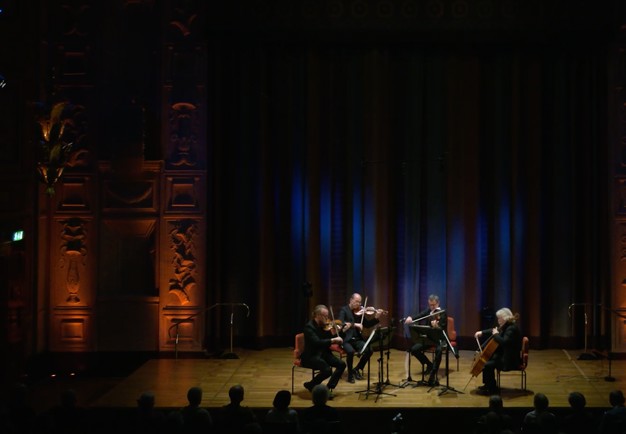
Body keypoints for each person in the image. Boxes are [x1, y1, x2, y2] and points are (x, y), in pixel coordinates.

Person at [301, 304, 346, 399]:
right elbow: (317, 343)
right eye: (325, 316)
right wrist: (333, 340)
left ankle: (328, 387)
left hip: (324, 353)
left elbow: (329, 340)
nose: (327, 318)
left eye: (327, 316)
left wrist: (336, 333)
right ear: (318, 315)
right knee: (327, 370)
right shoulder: (309, 328)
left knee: (341, 364)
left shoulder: (324, 326)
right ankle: (312, 385)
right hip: (312, 355)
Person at [473, 307, 522, 395]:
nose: (498, 320)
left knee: (487, 365)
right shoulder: (506, 326)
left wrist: (496, 335)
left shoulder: (511, 329)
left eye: (499, 318)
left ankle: (492, 389)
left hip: (510, 360)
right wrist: (482, 332)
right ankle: (488, 385)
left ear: (505, 318)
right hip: (505, 356)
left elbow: (504, 342)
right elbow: (493, 330)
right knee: (486, 360)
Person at [403, 294, 447, 386]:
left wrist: (437, 326)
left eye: (433, 305)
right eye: (430, 305)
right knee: (414, 349)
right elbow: (420, 315)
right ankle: (429, 364)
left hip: (440, 339)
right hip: (429, 339)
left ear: (438, 303)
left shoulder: (442, 312)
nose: (432, 307)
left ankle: (433, 373)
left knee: (439, 351)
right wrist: (411, 318)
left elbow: (442, 328)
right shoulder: (429, 311)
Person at [337, 293, 382, 383]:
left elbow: (367, 324)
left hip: (357, 339)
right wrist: (355, 325)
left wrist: (376, 318)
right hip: (346, 339)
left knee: (369, 350)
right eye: (357, 301)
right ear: (351, 300)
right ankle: (350, 375)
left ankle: (357, 368)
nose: (359, 304)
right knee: (350, 352)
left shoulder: (360, 312)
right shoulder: (344, 310)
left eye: (360, 302)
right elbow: (340, 323)